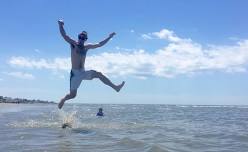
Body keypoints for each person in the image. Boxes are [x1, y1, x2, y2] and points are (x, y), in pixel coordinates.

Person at [57, 20, 125, 109]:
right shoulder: (73, 44)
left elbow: (99, 44)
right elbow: (64, 36)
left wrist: (109, 37)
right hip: (75, 74)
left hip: (83, 72)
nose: (81, 39)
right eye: (80, 37)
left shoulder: (86, 47)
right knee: (73, 95)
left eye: (83, 38)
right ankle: (64, 99)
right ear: (78, 37)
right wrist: (61, 25)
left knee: (99, 74)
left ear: (85, 39)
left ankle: (116, 87)